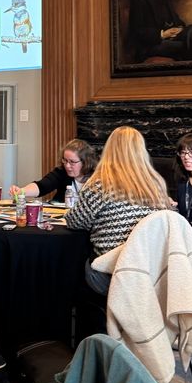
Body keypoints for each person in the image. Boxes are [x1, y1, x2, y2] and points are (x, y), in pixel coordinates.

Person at [66, 126, 170, 295]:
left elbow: (75, 221)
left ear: (110, 150)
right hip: (149, 272)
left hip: (109, 274)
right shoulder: (156, 185)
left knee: (73, 261)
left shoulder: (100, 184)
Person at [10, 138, 96, 203]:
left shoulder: (97, 177)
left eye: (72, 162)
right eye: (65, 160)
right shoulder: (61, 172)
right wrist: (22, 191)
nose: (67, 166)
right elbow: (42, 186)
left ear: (85, 162)